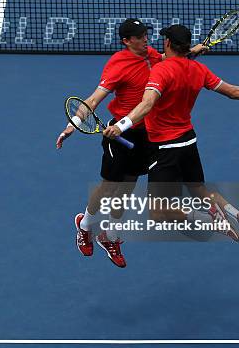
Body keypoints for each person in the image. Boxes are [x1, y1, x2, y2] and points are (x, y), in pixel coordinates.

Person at [103, 24, 239, 247]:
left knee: (157, 212)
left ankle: (206, 217)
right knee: (200, 189)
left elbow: (147, 104)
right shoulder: (198, 70)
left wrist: (121, 125)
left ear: (168, 43)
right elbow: (232, 92)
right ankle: (238, 215)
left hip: (165, 148)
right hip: (188, 142)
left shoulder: (160, 71)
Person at [56, 19, 207, 267]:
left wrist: (193, 51)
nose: (145, 39)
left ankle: (110, 236)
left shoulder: (150, 54)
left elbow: (169, 62)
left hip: (147, 134)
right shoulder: (117, 65)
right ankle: (84, 225)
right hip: (120, 133)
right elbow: (93, 100)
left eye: (146, 34)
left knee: (126, 190)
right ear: (127, 41)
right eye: (139, 37)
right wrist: (72, 125)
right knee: (108, 188)